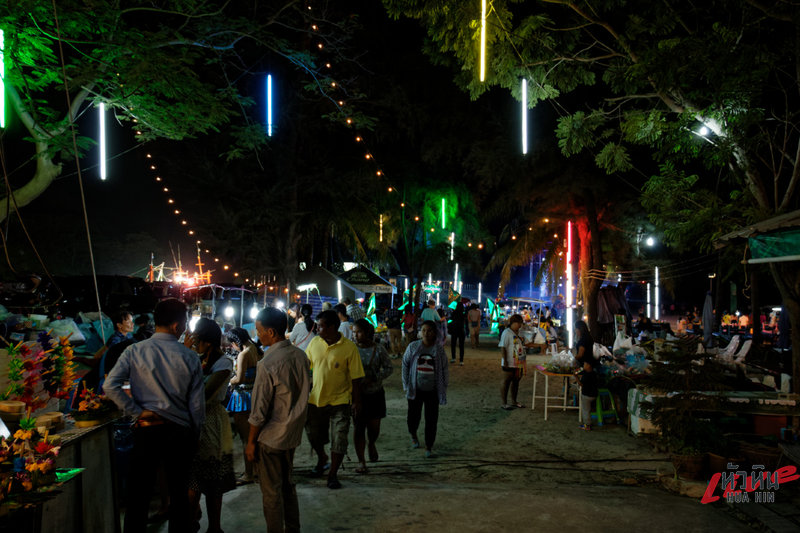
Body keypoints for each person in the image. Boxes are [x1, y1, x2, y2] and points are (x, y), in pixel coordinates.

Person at [103, 298, 205, 533]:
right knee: (178, 493)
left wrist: (137, 412)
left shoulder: (135, 350)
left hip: (146, 428)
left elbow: (110, 386)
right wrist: (195, 434)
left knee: (139, 494)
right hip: (180, 432)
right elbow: (197, 407)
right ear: (178, 326)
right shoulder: (189, 357)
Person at [246, 307, 310, 533]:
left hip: (271, 437)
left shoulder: (268, 363)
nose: (258, 335)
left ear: (271, 332)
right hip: (291, 435)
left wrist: (251, 442)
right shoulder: (300, 356)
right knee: (287, 488)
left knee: (272, 493)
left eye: (259, 330)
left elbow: (259, 410)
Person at [185, 318, 235, 533]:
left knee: (213, 479)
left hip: (211, 422)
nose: (195, 343)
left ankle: (215, 527)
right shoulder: (195, 358)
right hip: (191, 421)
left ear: (208, 341)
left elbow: (204, 394)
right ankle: (191, 518)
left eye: (198, 339)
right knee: (192, 477)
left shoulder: (223, 363)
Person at [304, 310, 364, 489]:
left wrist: (356, 401)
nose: (317, 329)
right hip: (316, 400)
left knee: (339, 438)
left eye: (321, 326)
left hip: (341, 400)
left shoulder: (349, 348)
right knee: (313, 435)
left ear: (332, 327)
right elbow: (306, 368)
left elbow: (356, 377)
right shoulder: (314, 343)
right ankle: (322, 458)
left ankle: (332, 474)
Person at [401, 320, 448, 458]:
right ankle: (413, 434)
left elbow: (444, 368)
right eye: (424, 330)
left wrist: (444, 386)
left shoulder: (439, 350)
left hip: (433, 390)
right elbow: (405, 365)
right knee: (413, 417)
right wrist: (406, 385)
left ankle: (429, 445)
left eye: (430, 330)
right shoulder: (413, 347)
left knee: (431, 419)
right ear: (420, 332)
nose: (426, 333)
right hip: (415, 389)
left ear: (435, 333)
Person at [352, 319, 393, 474]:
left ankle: (372, 443)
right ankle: (361, 461)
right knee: (358, 427)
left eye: (359, 332)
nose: (356, 335)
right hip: (357, 395)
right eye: (354, 332)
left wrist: (375, 377)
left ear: (368, 332)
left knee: (374, 427)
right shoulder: (351, 349)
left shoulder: (379, 349)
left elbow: (389, 368)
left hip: (375, 394)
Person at [226, 327, 263, 485]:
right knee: (256, 437)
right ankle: (257, 471)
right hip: (255, 395)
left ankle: (249, 473)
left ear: (236, 341)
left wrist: (229, 380)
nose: (233, 348)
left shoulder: (244, 354)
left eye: (232, 344)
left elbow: (239, 378)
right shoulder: (257, 350)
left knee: (246, 439)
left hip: (243, 398)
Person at [499, 314, 535, 410]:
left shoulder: (520, 333)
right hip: (509, 362)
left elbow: (527, 343)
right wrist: (505, 360)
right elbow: (503, 347)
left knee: (516, 382)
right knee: (506, 381)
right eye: (518, 323)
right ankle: (504, 403)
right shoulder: (507, 333)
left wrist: (540, 345)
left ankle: (514, 401)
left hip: (520, 362)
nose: (520, 325)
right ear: (513, 323)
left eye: (520, 323)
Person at [577, 356, 600, 431]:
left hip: (587, 395)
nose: (583, 365)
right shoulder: (593, 373)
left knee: (585, 410)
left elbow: (581, 384)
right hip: (594, 394)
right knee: (589, 409)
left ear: (588, 365)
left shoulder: (586, 375)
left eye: (585, 364)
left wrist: (576, 377)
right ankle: (588, 423)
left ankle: (587, 425)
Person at [449, 300, 466, 365]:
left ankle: (453, 358)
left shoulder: (454, 313)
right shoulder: (463, 313)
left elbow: (450, 320)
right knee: (461, 346)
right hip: (461, 330)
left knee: (453, 344)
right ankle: (461, 360)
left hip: (454, 330)